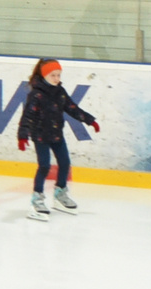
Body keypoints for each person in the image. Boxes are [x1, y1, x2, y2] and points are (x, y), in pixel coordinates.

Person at [17, 56, 99, 219]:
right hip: (40, 136)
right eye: (53, 75)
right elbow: (27, 116)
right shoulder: (36, 94)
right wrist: (23, 136)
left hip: (56, 135)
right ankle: (37, 199)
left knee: (65, 163)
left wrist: (90, 120)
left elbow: (72, 108)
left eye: (58, 75)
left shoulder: (60, 92)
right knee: (44, 166)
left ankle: (60, 193)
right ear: (44, 75)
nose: (57, 79)